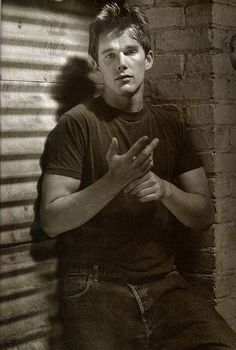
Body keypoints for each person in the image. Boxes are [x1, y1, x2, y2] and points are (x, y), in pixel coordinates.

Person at [40, 2, 236, 349]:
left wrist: (164, 190)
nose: (121, 63)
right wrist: (112, 182)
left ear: (148, 58)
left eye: (130, 51)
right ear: (96, 67)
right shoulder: (76, 124)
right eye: (109, 55)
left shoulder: (170, 124)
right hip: (96, 285)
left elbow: (204, 215)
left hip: (164, 283)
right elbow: (52, 220)